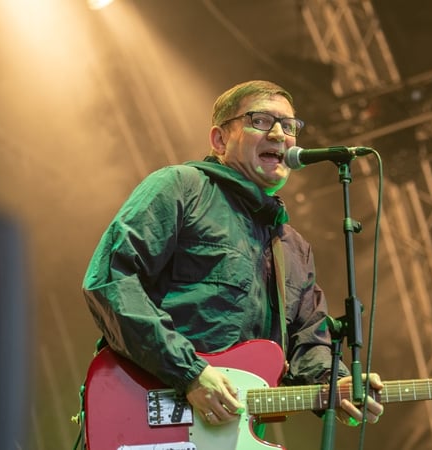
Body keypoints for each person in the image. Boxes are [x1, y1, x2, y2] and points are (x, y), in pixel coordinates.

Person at [82, 80, 383, 433]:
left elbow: (308, 340)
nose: (278, 134)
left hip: (231, 435)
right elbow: (111, 279)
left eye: (289, 126)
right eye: (260, 120)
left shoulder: (294, 248)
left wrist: (336, 384)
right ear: (220, 140)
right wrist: (190, 373)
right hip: (146, 416)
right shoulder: (181, 187)